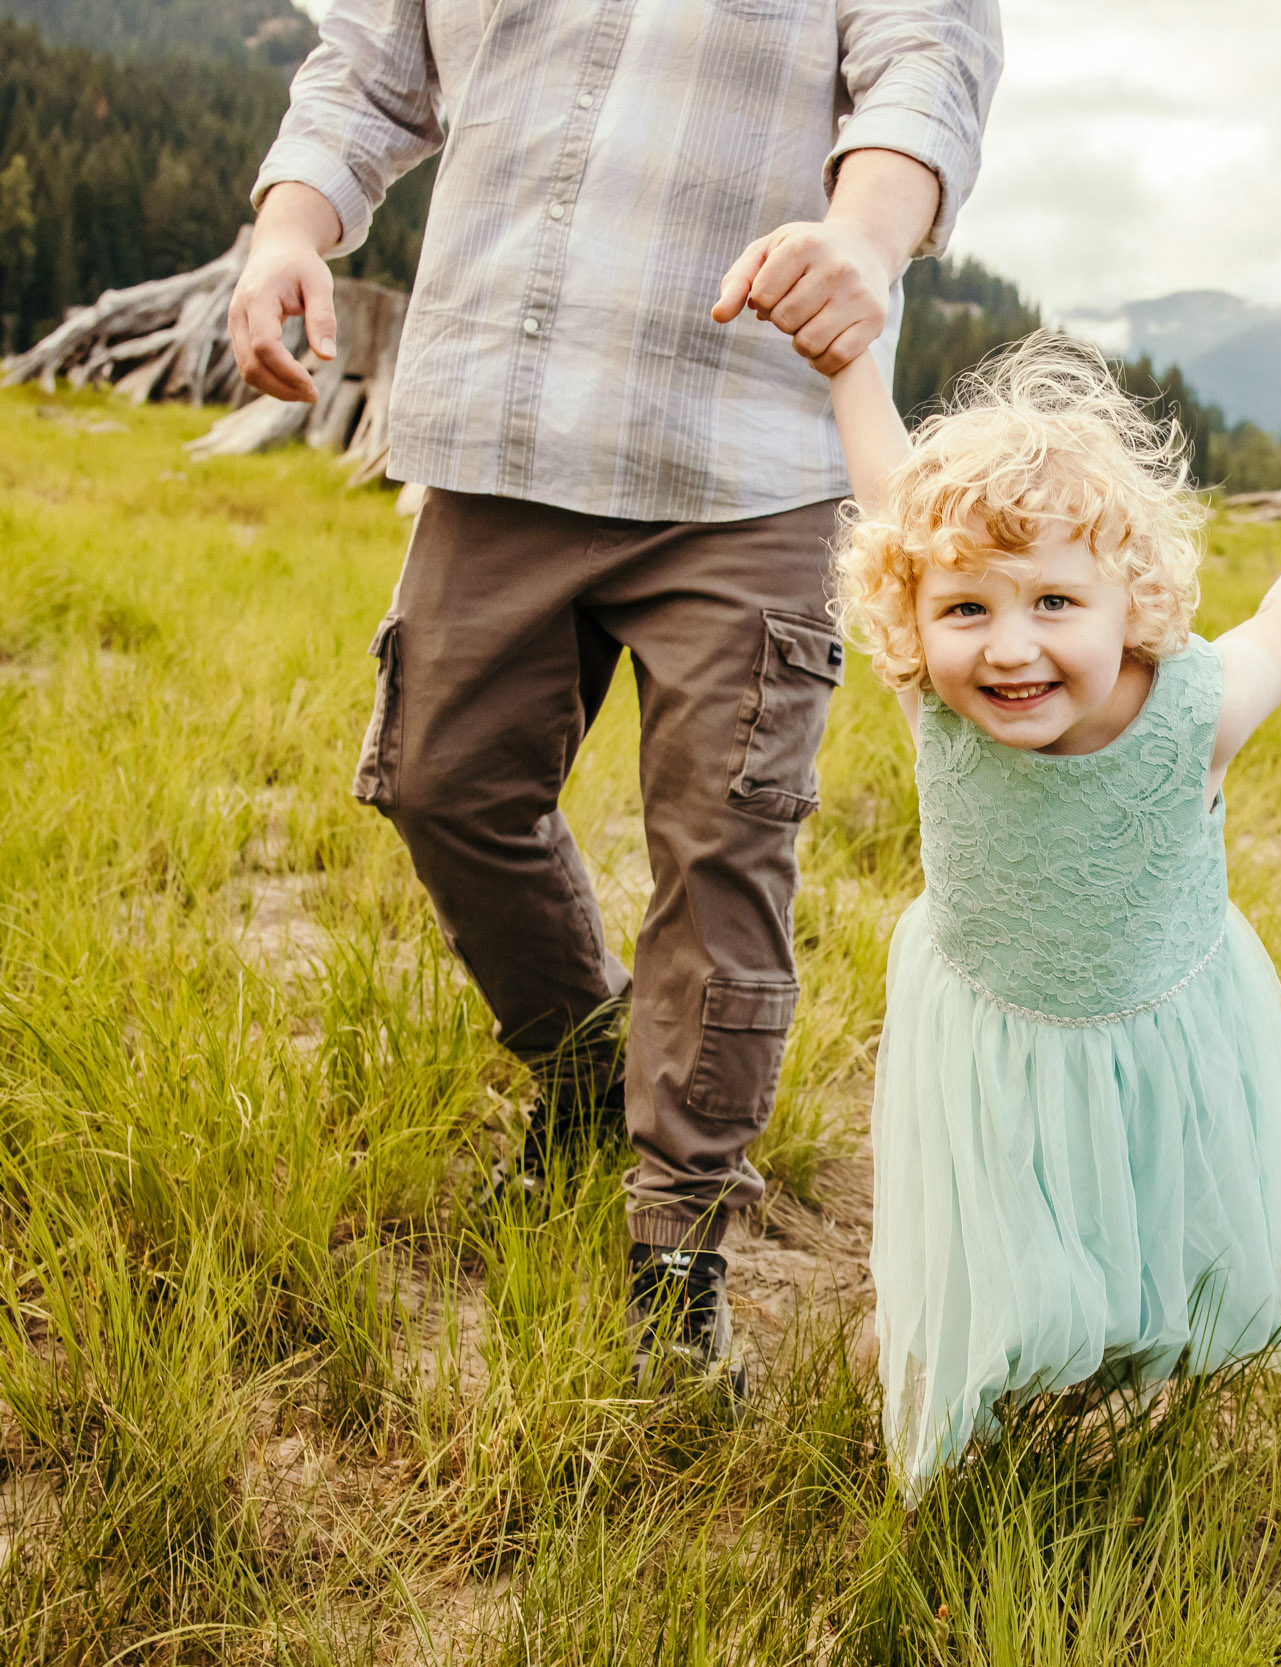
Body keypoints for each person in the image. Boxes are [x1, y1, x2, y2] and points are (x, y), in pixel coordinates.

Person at [227, 0, 1002, 1385]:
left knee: (722, 852)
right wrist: (290, 227)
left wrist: (866, 237)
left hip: (747, 442)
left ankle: (677, 1245)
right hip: (497, 420)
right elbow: (369, 66)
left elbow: (926, 63)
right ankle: (588, 1068)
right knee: (441, 782)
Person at [822, 338, 1281, 1491]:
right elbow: (889, 492)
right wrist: (848, 366)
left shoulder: (1199, 710)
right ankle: (950, 1370)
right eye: (964, 605)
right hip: (987, 1033)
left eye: (1053, 600)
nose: (1008, 644)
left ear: (1128, 598)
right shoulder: (933, 697)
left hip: (1158, 1029)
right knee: (983, 1248)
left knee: (1146, 1241)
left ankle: (1119, 1399)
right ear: (911, 610)